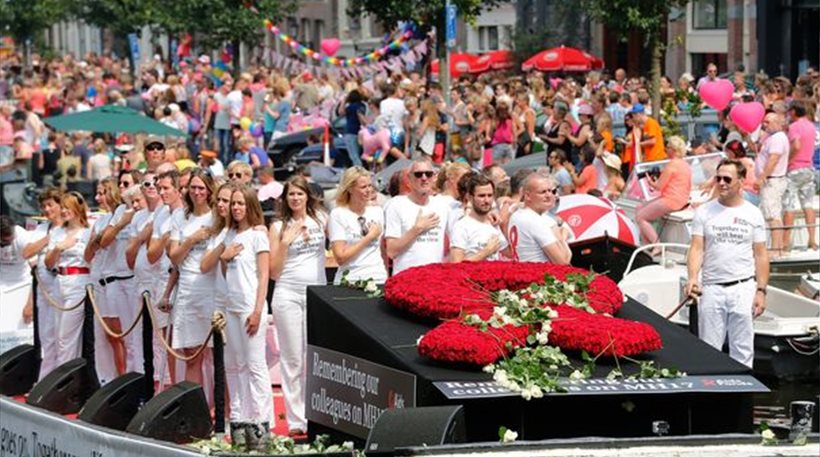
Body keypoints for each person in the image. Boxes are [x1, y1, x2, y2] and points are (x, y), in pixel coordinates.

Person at [203, 184, 272, 449]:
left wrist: (256, 310)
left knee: (255, 366)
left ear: (250, 205)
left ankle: (260, 422)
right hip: (230, 307)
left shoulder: (258, 236)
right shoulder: (229, 233)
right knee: (235, 366)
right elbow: (224, 268)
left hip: (249, 306)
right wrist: (224, 256)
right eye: (233, 204)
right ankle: (239, 421)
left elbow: (263, 274)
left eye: (241, 203)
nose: (236, 208)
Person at [685, 159, 769, 368]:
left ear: (740, 181)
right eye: (718, 178)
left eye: (727, 179)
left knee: (742, 349)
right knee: (709, 349)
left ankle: (742, 394)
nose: (721, 183)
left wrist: (761, 290)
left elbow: (760, 254)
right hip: (712, 287)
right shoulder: (704, 211)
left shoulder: (753, 213)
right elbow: (697, 248)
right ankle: (712, 393)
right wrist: (693, 278)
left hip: (743, 286)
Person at [268, 176, 327, 436]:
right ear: (285, 198)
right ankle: (295, 419)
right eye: (291, 194)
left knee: (313, 358)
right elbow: (273, 271)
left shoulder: (321, 220)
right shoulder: (278, 226)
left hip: (315, 295)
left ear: (307, 196)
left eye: (299, 194)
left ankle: (316, 413)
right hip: (287, 294)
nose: (295, 198)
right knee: (292, 359)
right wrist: (284, 242)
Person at [168, 168, 216, 388]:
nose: (197, 192)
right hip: (187, 288)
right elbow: (174, 256)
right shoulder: (180, 216)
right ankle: (196, 410)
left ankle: (222, 411)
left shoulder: (218, 215)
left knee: (216, 355)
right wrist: (191, 239)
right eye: (193, 187)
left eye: (201, 188)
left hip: (213, 288)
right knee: (191, 353)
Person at [83, 177, 130, 376]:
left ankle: (124, 376)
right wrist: (97, 238)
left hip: (116, 278)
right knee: (109, 336)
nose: (98, 197)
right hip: (100, 280)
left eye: (102, 193)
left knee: (120, 335)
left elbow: (105, 241)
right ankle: (111, 377)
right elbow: (88, 253)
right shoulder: (101, 220)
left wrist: (100, 238)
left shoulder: (122, 215)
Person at [43, 192, 91, 367]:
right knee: (57, 334)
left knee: (66, 335)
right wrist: (59, 248)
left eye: (67, 207)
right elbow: (48, 262)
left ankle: (67, 376)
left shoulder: (88, 232)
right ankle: (63, 374)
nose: (63, 211)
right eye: (62, 207)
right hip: (59, 280)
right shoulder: (57, 232)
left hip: (79, 281)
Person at [21, 188, 63, 380]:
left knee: (62, 335)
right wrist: (48, 238)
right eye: (44, 206)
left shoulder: (69, 227)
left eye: (50, 205)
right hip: (43, 287)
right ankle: (46, 377)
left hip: (64, 286)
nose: (47, 210)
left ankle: (61, 377)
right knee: (46, 335)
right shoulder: (41, 229)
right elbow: (27, 252)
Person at [384, 159, 450, 275]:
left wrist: (491, 212)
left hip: (434, 280)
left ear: (434, 177)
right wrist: (417, 229)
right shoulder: (396, 205)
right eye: (418, 174)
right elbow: (391, 251)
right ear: (409, 179)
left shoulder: (443, 205)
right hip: (405, 279)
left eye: (428, 174)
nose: (424, 178)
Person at [329, 167, 386, 284]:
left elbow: (381, 249)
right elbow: (340, 258)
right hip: (350, 280)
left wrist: (386, 274)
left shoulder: (377, 211)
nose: (368, 190)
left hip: (378, 278)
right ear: (350, 189)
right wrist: (369, 237)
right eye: (363, 187)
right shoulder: (338, 214)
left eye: (370, 186)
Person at [635, 136, 692, 252]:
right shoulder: (685, 164)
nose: (665, 150)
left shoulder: (671, 165)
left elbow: (659, 187)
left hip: (671, 201)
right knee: (639, 207)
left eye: (667, 147)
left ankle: (657, 244)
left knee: (641, 217)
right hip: (682, 200)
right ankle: (648, 244)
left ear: (672, 150)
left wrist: (650, 182)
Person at [507, 173, 572, 264]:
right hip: (541, 275)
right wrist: (561, 237)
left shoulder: (516, 215)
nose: (549, 195)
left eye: (550, 191)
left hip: (525, 271)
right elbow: (563, 261)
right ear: (528, 196)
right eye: (543, 192)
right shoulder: (535, 220)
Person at [450, 174, 511, 262]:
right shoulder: (461, 226)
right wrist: (486, 251)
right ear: (470, 198)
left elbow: (509, 253)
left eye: (489, 195)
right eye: (481, 196)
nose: (486, 200)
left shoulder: (493, 222)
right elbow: (456, 264)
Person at [783, 100, 818, 251]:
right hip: (808, 167)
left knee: (789, 205)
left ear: (793, 111)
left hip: (795, 168)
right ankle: (812, 239)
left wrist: (788, 160)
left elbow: (796, 145)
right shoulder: (811, 126)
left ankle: (785, 242)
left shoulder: (794, 127)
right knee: (808, 205)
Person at [754, 112, 790, 257]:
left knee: (772, 215)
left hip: (772, 180)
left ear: (777, 123)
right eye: (764, 122)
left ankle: (776, 249)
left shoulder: (777, 138)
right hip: (773, 180)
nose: (765, 124)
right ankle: (777, 247)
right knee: (772, 214)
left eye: (768, 122)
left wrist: (762, 177)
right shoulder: (772, 138)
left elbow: (773, 159)